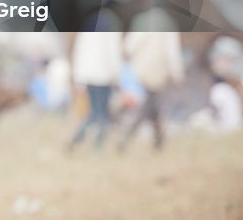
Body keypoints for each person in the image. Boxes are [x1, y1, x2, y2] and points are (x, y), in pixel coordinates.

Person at [117, 9, 184, 151]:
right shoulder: (168, 26)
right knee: (150, 109)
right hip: (157, 76)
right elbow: (172, 53)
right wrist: (178, 75)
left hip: (139, 73)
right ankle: (151, 142)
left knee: (151, 109)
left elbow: (128, 47)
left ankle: (155, 142)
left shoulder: (141, 22)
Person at [67, 15, 123, 151]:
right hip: (104, 78)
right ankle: (96, 146)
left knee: (94, 112)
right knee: (101, 114)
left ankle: (77, 139)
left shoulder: (85, 33)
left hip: (89, 78)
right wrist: (116, 77)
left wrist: (79, 80)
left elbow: (79, 55)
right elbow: (114, 55)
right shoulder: (111, 32)